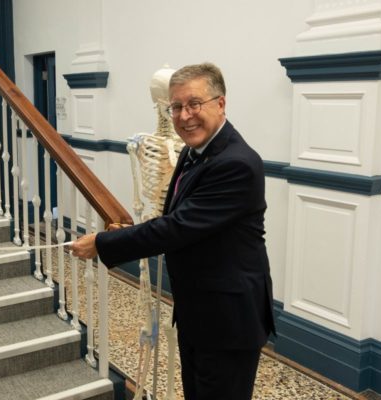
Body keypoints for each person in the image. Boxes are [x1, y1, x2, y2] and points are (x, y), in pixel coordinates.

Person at [71, 63, 275, 399]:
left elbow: (178, 228)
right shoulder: (195, 151)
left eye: (194, 104)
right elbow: (181, 217)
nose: (184, 116)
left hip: (228, 320)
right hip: (199, 308)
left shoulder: (236, 163)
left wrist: (104, 243)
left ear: (220, 103)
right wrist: (130, 231)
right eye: (176, 106)